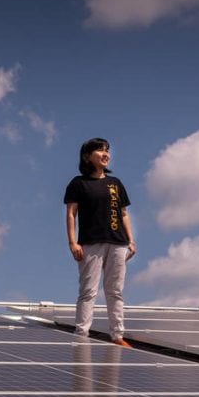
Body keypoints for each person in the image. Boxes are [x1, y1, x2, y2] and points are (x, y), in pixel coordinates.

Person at [63, 137, 136, 345]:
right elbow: (71, 214)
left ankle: (117, 335)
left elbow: (123, 214)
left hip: (118, 243)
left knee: (115, 291)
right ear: (87, 156)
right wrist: (72, 242)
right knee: (88, 291)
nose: (105, 154)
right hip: (90, 243)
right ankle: (81, 335)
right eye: (100, 150)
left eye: (107, 150)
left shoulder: (115, 184)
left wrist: (131, 241)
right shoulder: (78, 183)